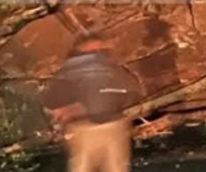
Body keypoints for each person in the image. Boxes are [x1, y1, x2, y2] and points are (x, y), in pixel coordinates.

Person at [43, 33, 142, 172]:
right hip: (86, 130)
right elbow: (53, 101)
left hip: (110, 127)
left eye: (100, 50)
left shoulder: (111, 69)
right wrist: (71, 110)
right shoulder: (70, 73)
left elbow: (131, 91)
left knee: (110, 167)